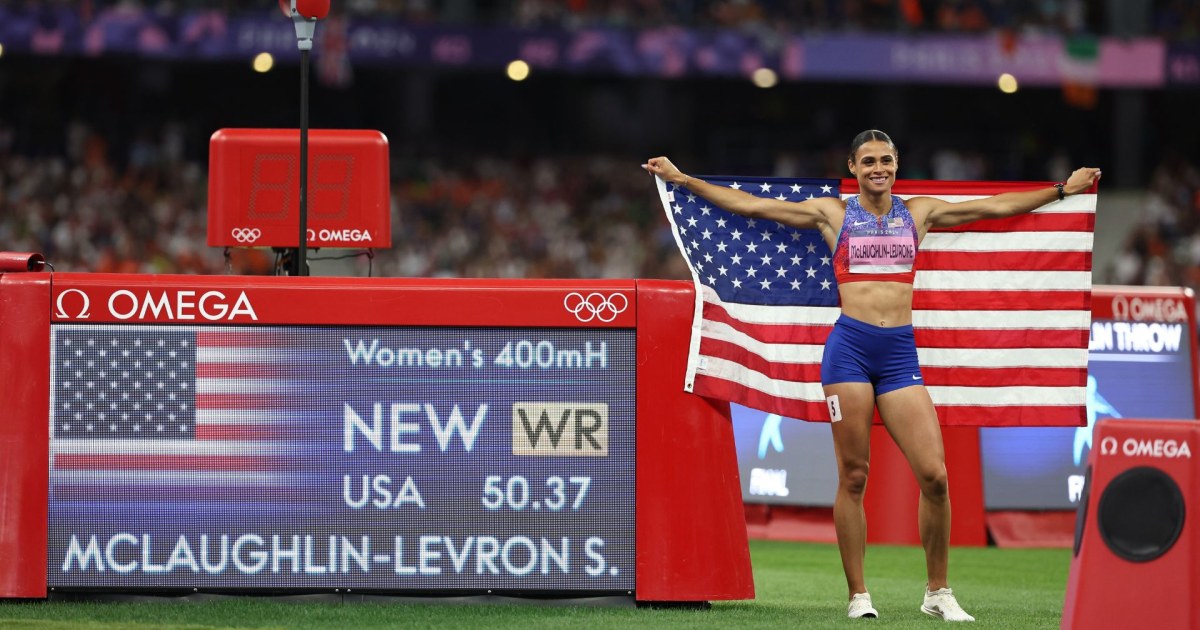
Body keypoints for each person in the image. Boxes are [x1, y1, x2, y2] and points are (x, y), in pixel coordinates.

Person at [643, 130, 1101, 622]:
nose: (877, 168)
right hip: (849, 354)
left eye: (885, 159)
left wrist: (1062, 190)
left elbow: (993, 207)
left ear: (896, 164)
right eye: (868, 161)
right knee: (855, 475)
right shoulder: (832, 213)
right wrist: (683, 179)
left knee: (936, 477)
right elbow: (752, 206)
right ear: (853, 168)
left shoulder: (919, 213)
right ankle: (859, 595)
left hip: (900, 354)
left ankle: (938, 591)